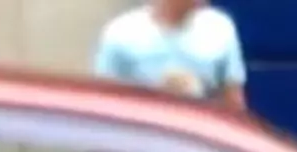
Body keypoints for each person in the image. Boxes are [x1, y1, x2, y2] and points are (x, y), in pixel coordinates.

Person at [93, 0, 248, 110]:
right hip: (137, 147)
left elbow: (235, 106)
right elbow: (103, 108)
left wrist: (198, 98)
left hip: (202, 146)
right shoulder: (120, 33)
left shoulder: (220, 28)